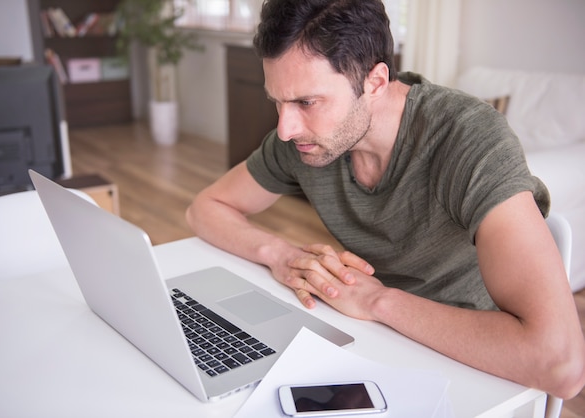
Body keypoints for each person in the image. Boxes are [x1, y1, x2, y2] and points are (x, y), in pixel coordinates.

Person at [186, 0, 585, 399]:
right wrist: (281, 255)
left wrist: (377, 300)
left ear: (375, 82)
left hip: (474, 367)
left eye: (307, 102)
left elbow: (562, 366)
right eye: (277, 101)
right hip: (370, 340)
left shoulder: (468, 140)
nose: (286, 128)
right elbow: (204, 208)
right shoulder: (307, 141)